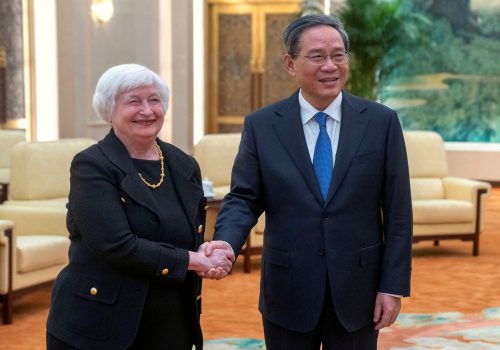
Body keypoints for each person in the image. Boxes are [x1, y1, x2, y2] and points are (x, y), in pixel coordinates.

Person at [206, 14, 413, 349]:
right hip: (288, 290)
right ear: (291, 64)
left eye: (338, 55)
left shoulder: (381, 122)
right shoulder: (262, 125)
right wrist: (227, 243)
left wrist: (392, 285)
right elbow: (244, 197)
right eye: (317, 56)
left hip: (358, 290)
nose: (330, 65)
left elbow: (398, 212)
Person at [46, 63, 234, 350]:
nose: (147, 110)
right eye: (133, 101)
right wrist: (194, 261)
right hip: (100, 326)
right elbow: (115, 244)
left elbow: (188, 234)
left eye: (154, 100)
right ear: (109, 111)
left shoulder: (184, 164)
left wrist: (207, 250)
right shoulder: (92, 165)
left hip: (172, 324)